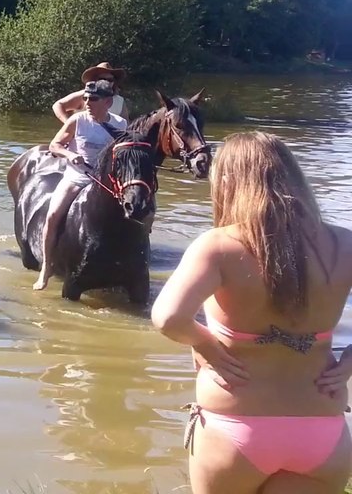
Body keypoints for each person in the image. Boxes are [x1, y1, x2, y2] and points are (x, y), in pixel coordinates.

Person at [151, 131, 352, 493]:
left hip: (235, 429)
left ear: (228, 181)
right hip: (321, 429)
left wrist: (206, 344)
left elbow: (168, 317)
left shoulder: (219, 245)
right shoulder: (345, 242)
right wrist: (350, 360)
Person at [35, 78, 127, 290]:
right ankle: (46, 268)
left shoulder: (120, 125)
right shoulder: (77, 120)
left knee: (140, 210)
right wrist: (69, 153)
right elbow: (54, 145)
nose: (87, 102)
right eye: (85, 98)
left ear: (108, 102)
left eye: (93, 99)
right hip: (77, 177)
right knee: (52, 215)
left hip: (108, 181)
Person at [53, 61, 129, 123]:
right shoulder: (85, 95)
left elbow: (126, 125)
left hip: (108, 140)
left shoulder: (119, 101)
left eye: (110, 80)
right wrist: (68, 123)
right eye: (102, 79)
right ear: (94, 79)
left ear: (114, 82)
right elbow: (58, 105)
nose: (106, 82)